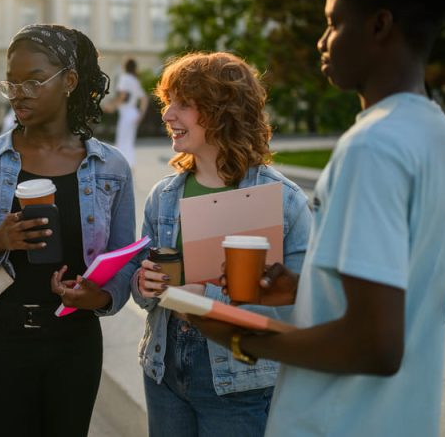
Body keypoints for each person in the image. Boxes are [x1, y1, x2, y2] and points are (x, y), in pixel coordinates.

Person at [187, 0, 445, 436]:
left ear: (379, 25)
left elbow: (375, 347)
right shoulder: (440, 138)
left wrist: (241, 337)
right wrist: (308, 289)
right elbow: (433, 301)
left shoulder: (372, 148)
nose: (323, 40)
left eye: (335, 23)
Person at [0, 24, 136, 437]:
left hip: (76, 343)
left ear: (69, 81)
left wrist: (100, 295)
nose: (19, 94)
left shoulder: (111, 169)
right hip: (5, 342)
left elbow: (125, 263)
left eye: (33, 81)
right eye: (11, 83)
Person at [126, 52, 312, 437]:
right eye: (166, 103)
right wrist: (143, 285)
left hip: (240, 381)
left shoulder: (283, 201)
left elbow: (299, 307)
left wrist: (207, 299)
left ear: (221, 111)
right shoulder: (163, 196)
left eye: (183, 104)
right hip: (163, 370)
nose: (166, 115)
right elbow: (143, 292)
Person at [102, 58, 148, 168]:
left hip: (126, 114)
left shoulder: (124, 78)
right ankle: (129, 167)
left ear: (124, 67)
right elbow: (144, 99)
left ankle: (122, 167)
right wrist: (140, 115)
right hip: (133, 113)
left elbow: (122, 96)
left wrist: (112, 106)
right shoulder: (135, 80)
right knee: (128, 143)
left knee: (122, 142)